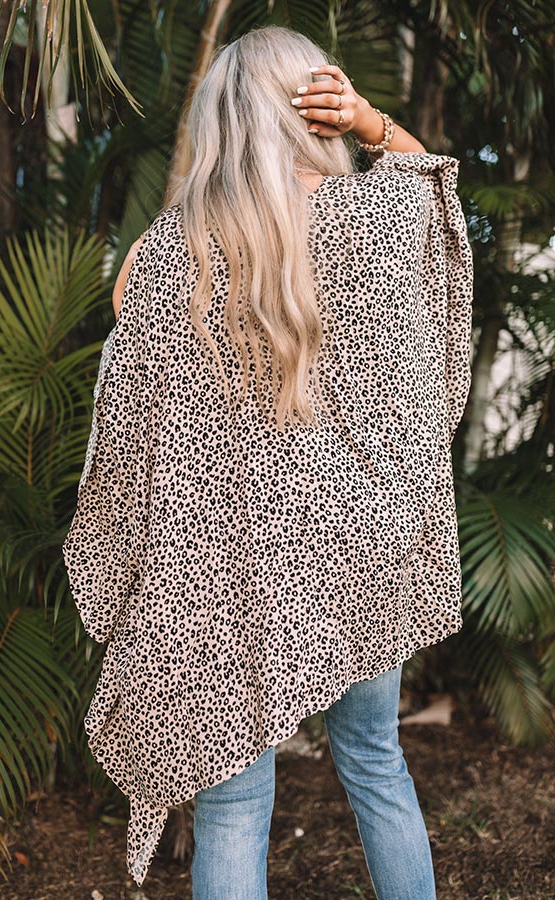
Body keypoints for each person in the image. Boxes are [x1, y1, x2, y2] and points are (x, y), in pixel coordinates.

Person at [63, 23, 474, 900]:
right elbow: (433, 190)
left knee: (233, 809)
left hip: (227, 565)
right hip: (362, 547)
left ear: (220, 120)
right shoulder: (374, 220)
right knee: (377, 761)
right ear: (313, 110)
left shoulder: (166, 253)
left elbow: (138, 423)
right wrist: (370, 122)